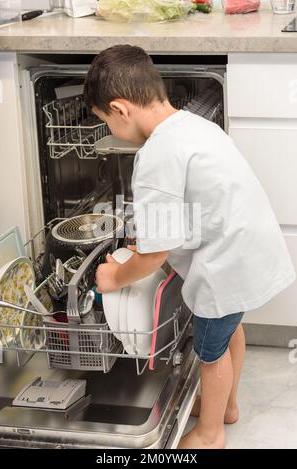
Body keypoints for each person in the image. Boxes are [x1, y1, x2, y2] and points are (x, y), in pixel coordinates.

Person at [84, 45, 296, 449]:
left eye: (105, 122)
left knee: (209, 352)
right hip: (248, 251)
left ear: (121, 109)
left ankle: (211, 433)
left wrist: (114, 276)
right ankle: (228, 407)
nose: (110, 130)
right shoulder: (192, 126)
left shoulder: (156, 157)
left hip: (227, 268)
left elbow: (154, 255)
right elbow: (185, 213)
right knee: (231, 332)